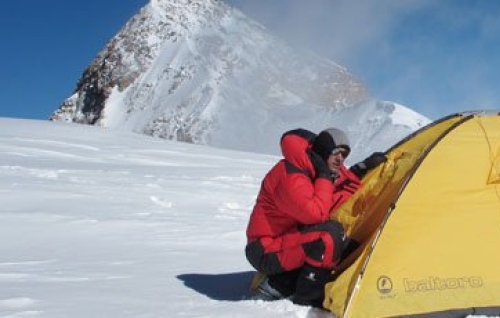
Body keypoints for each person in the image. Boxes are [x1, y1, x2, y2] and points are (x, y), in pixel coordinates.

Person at [245, 127, 386, 307]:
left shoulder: (309, 171)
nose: (340, 159)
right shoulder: (290, 175)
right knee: (329, 235)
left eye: (344, 155)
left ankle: (284, 283)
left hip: (286, 240)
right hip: (265, 249)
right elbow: (317, 214)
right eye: (336, 153)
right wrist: (324, 176)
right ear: (323, 152)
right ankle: (307, 298)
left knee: (349, 246)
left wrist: (359, 170)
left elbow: (329, 199)